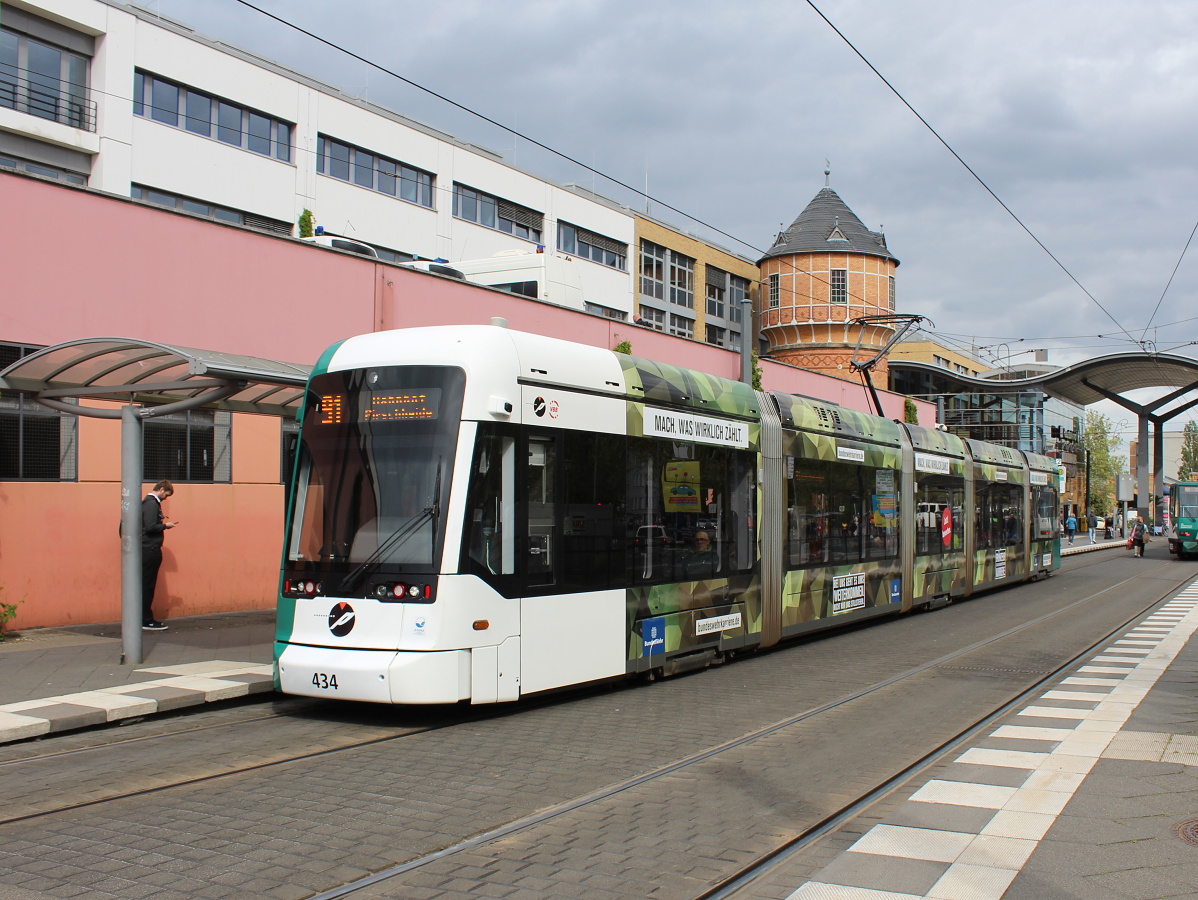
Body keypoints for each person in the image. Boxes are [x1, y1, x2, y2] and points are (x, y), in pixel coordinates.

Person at [141, 480, 177, 630]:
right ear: (161, 489)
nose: (165, 498)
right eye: (166, 495)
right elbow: (150, 526)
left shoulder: (145, 503)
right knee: (147, 585)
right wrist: (165, 526)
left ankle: (143, 618)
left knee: (144, 585)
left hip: (145, 549)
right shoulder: (151, 504)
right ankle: (146, 620)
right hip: (150, 549)